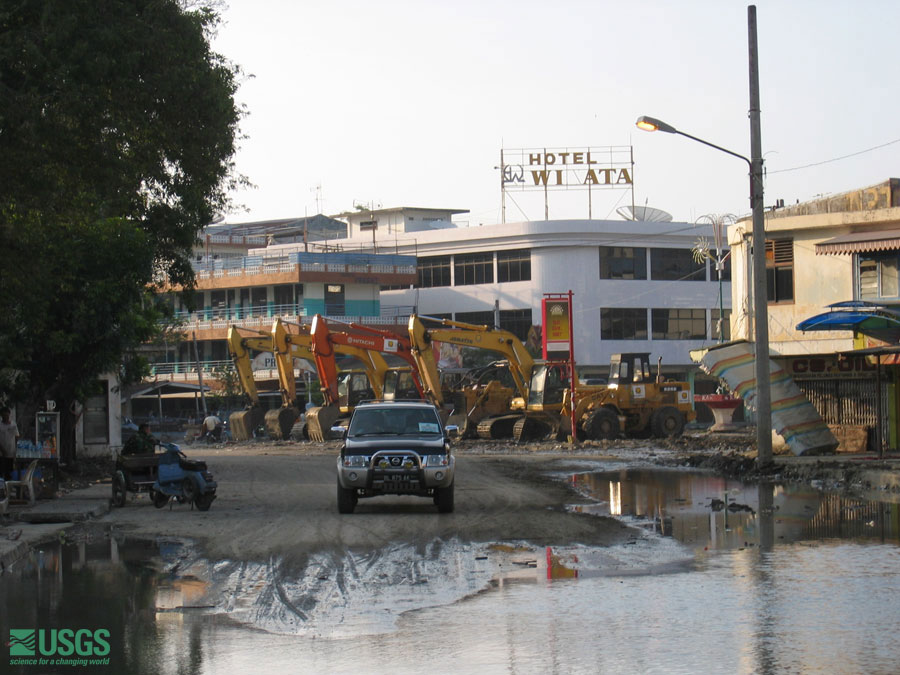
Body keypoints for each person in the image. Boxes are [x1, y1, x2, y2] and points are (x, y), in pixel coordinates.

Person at [0, 406, 20, 480]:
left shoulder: (13, 425)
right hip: (1, 453)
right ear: (1, 416)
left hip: (11, 453)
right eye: (4, 415)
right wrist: (2, 449)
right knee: (2, 472)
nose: (6, 417)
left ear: (9, 414)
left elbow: (17, 436)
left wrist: (15, 449)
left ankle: (8, 487)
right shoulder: (0, 425)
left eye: (7, 415)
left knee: (10, 472)